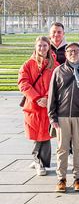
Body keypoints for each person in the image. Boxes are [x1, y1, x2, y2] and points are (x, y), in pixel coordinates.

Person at [48, 41, 79, 193]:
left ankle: (78, 177)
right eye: (70, 51)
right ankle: (61, 178)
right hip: (62, 116)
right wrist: (52, 116)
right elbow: (52, 95)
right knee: (62, 148)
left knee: (78, 147)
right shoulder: (59, 71)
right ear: (66, 54)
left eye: (76, 51)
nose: (73, 53)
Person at [18, 36, 59, 178]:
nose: (42, 48)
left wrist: (47, 98)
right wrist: (36, 98)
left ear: (49, 47)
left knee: (46, 135)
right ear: (35, 47)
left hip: (48, 106)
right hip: (33, 106)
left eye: (45, 46)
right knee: (37, 136)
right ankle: (38, 161)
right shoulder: (28, 64)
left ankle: (40, 161)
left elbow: (57, 84)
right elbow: (23, 83)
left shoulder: (54, 65)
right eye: (39, 46)